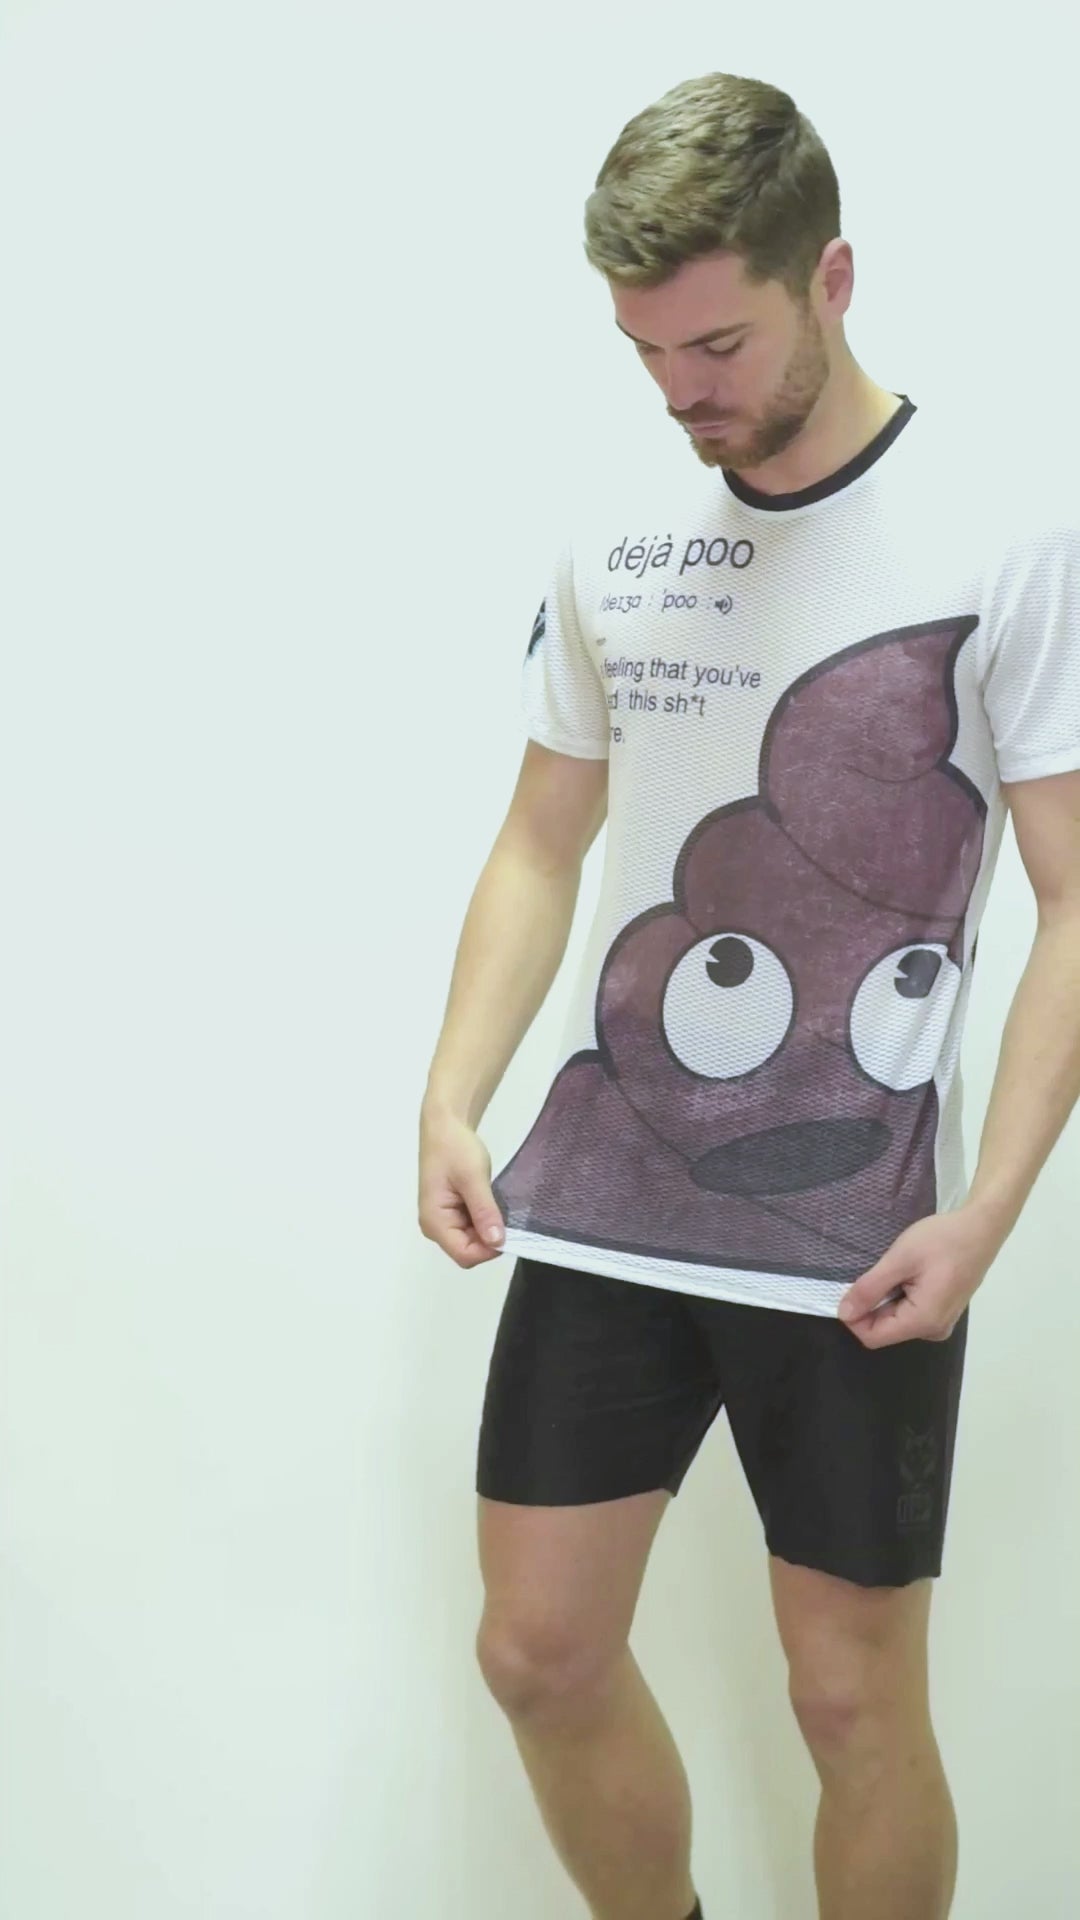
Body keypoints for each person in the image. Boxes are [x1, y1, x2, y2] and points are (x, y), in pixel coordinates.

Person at [417, 70, 1080, 1920]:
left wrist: (990, 1211)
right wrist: (453, 1094)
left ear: (831, 279)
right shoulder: (613, 524)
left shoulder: (1008, 531)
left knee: (849, 1700)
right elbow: (543, 838)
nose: (682, 391)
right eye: (645, 351)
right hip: (608, 1197)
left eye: (717, 343)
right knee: (536, 1655)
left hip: (859, 1235)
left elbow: (1075, 896)